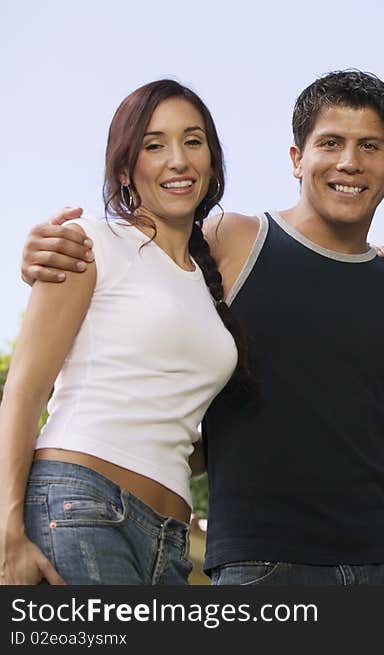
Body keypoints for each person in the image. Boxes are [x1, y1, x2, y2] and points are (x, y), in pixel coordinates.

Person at [19, 70, 384, 586]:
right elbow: (139, 262)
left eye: (370, 146)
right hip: (257, 563)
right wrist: (49, 252)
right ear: (297, 159)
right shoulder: (232, 241)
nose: (349, 162)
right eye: (331, 143)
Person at [0, 79, 248, 585]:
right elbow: (24, 393)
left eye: (193, 141)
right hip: (79, 507)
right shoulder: (88, 243)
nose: (178, 160)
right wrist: (6, 537)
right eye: (154, 146)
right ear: (125, 170)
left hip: (171, 543)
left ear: (212, 159)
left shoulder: (210, 285)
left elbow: (175, 429)